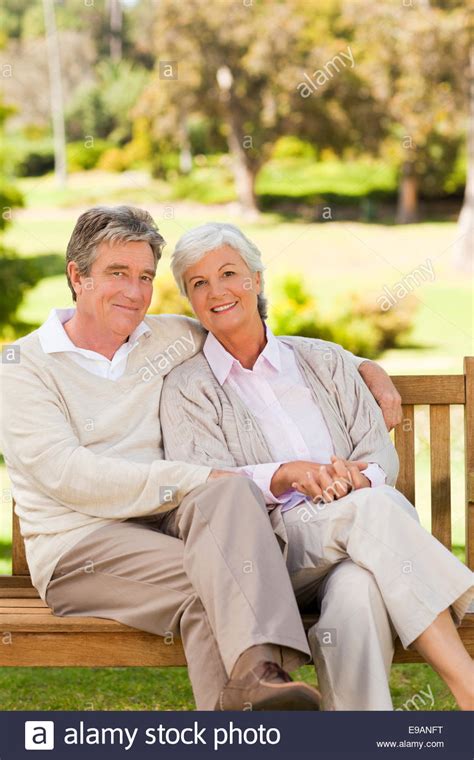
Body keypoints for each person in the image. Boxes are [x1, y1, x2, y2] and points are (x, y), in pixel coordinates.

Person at [160, 221, 474, 711]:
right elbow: (205, 484)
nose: (217, 291)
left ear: (257, 279)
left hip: (357, 548)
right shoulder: (188, 388)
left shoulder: (324, 361)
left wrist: (356, 477)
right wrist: (287, 474)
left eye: (229, 273)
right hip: (267, 554)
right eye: (199, 283)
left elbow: (377, 451)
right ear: (189, 300)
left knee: (358, 594)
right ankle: (467, 685)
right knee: (374, 509)